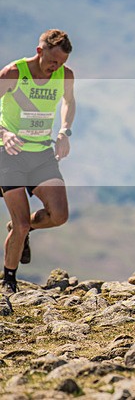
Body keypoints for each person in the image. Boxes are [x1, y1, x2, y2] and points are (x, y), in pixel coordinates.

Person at [1, 29, 76, 295]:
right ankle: (9, 281)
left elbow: (68, 102)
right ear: (39, 51)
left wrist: (64, 131)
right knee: (20, 223)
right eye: (52, 61)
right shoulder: (13, 73)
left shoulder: (64, 75)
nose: (55, 67)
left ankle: (23, 228)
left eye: (61, 63)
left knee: (59, 215)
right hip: (8, 154)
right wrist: (4, 132)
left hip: (41, 153)